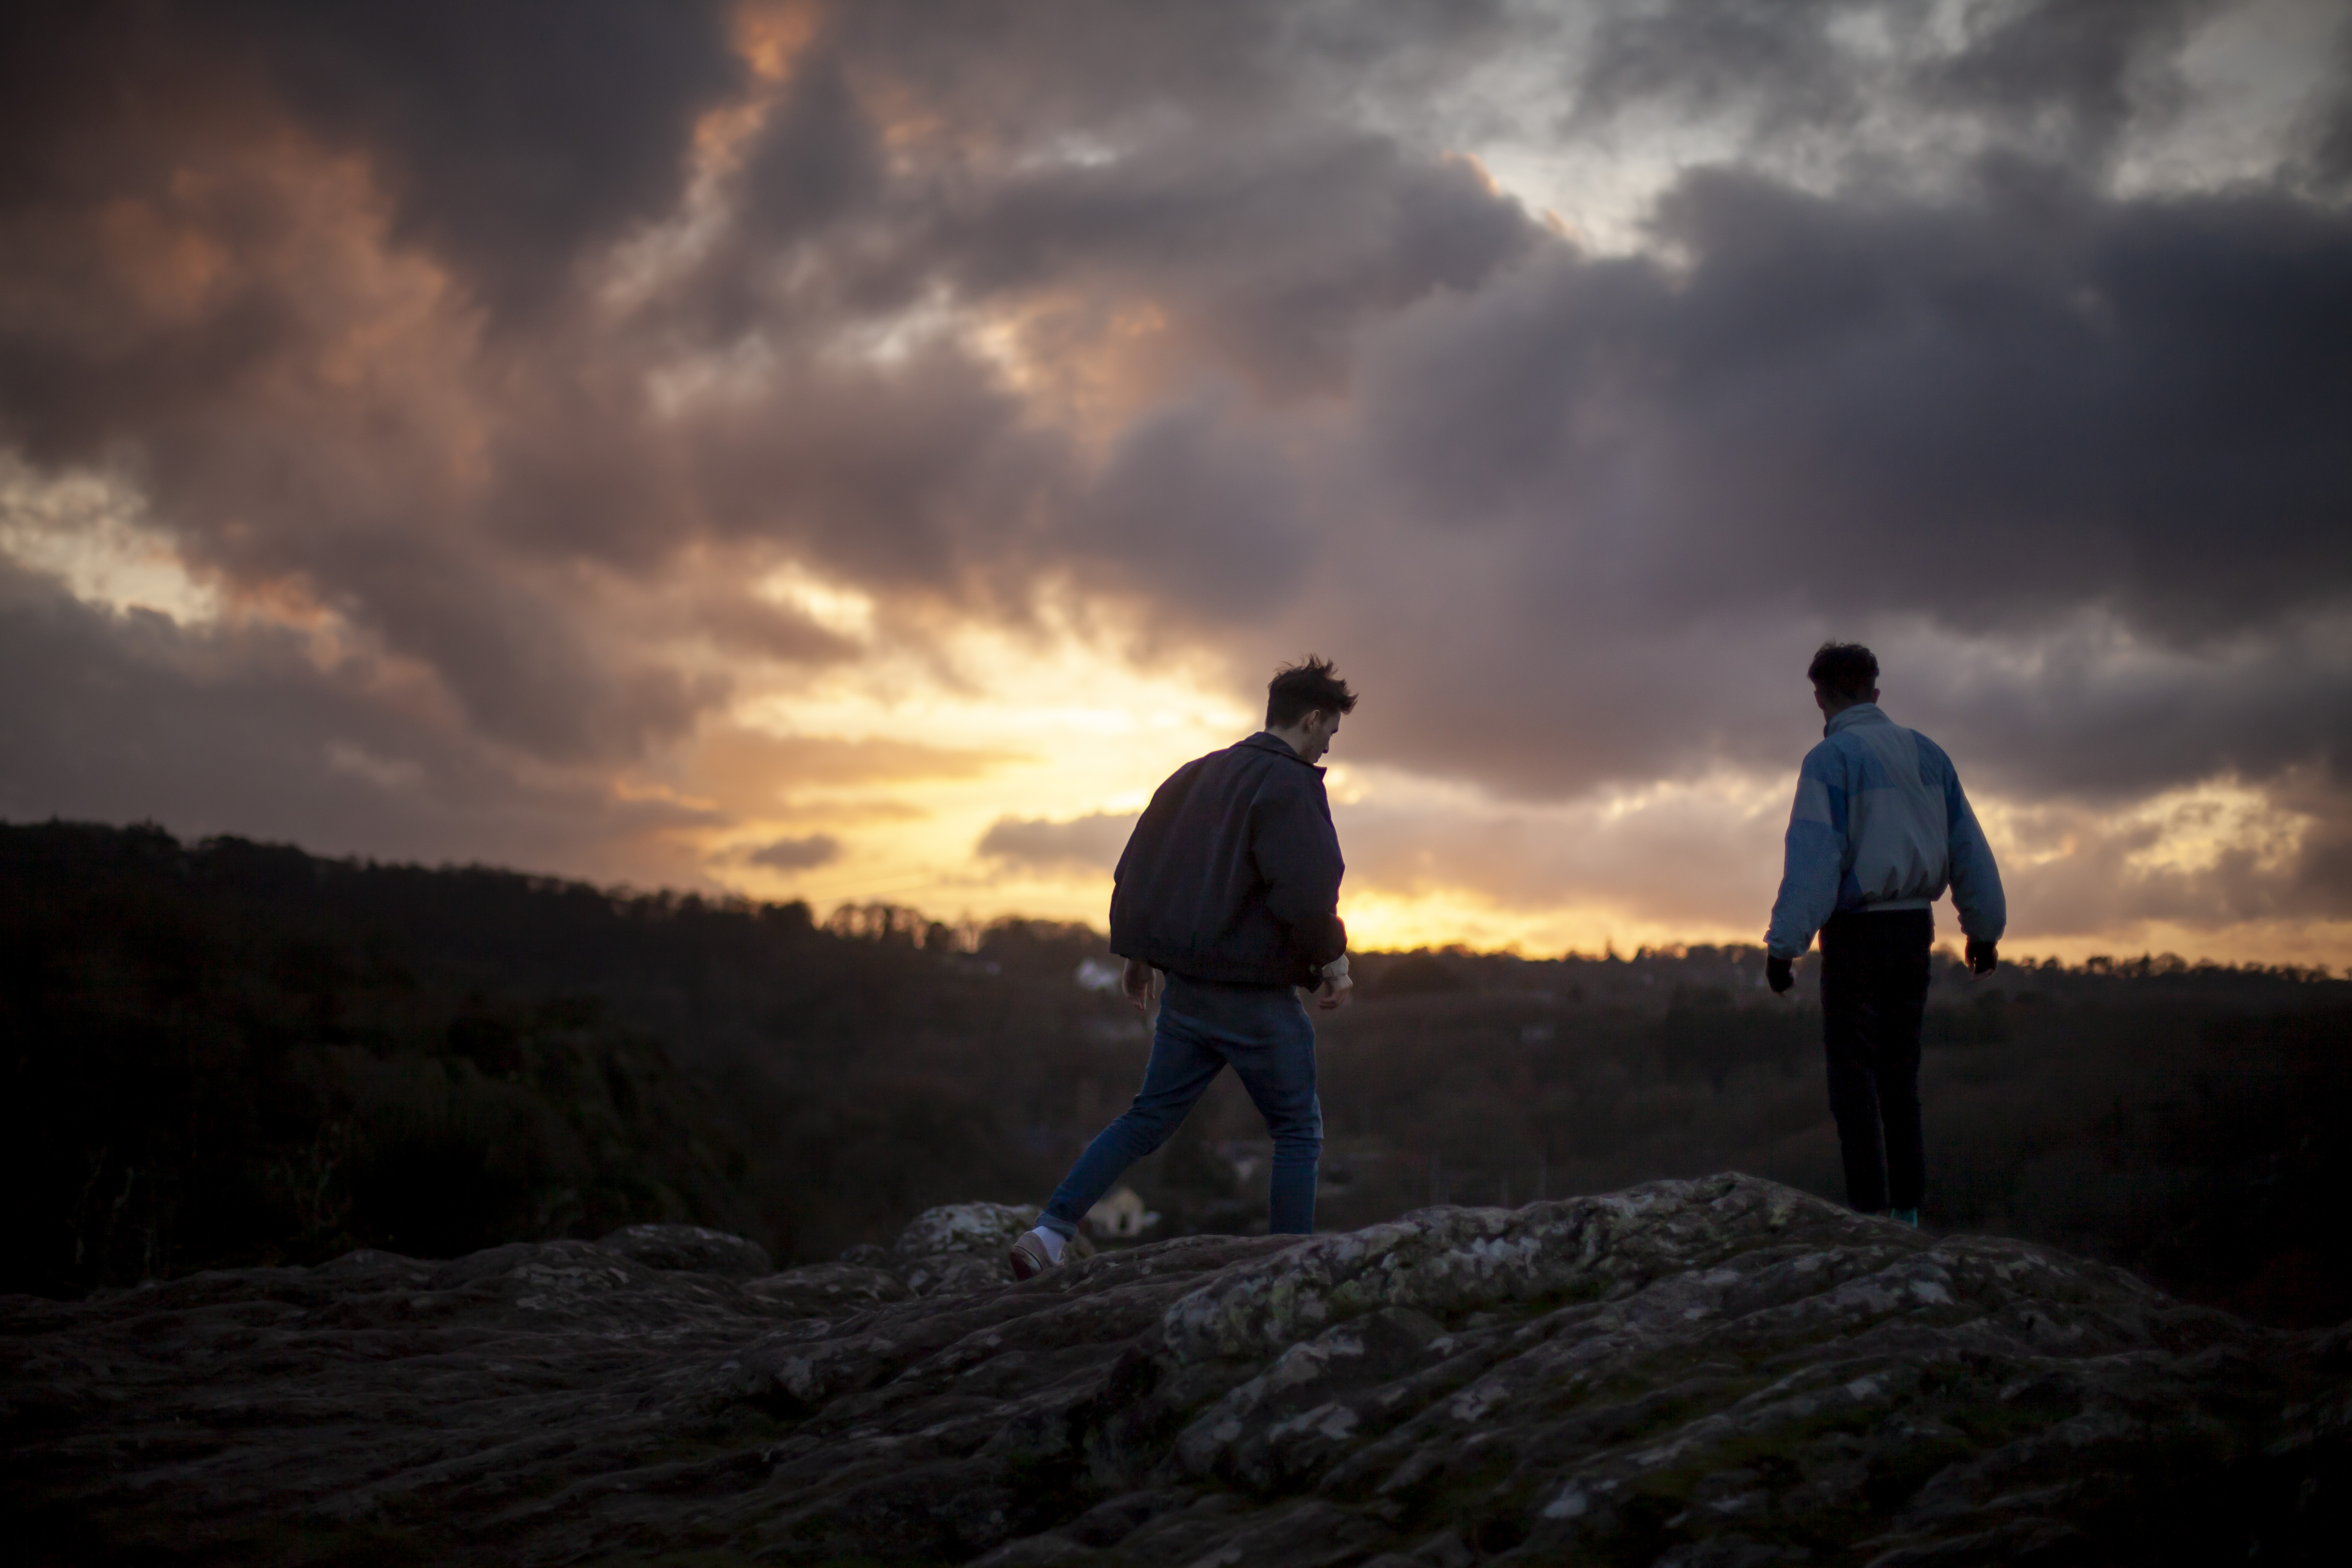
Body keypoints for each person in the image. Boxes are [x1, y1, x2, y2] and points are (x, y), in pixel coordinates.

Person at [1009, 657, 1358, 1279]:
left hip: (1189, 994)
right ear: (1312, 719)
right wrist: (1333, 961)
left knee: (1145, 1119)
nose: (1329, 745)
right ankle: (1285, 1273)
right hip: (1256, 998)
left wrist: (1138, 955)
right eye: (1330, 731)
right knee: (1298, 1131)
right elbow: (1306, 891)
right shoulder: (1291, 785)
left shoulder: (1195, 776)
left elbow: (1141, 866)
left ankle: (1049, 1233)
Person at [1762, 642, 2005, 1228]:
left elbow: (1816, 857)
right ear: (1875, 691)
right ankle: (1907, 1212)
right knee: (1901, 1074)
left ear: (1820, 697)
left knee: (1852, 1076)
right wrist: (1984, 929)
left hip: (1855, 933)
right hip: (1914, 927)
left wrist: (1784, 946)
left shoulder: (1831, 760)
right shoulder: (1929, 755)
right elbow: (1968, 845)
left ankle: (1868, 1213)